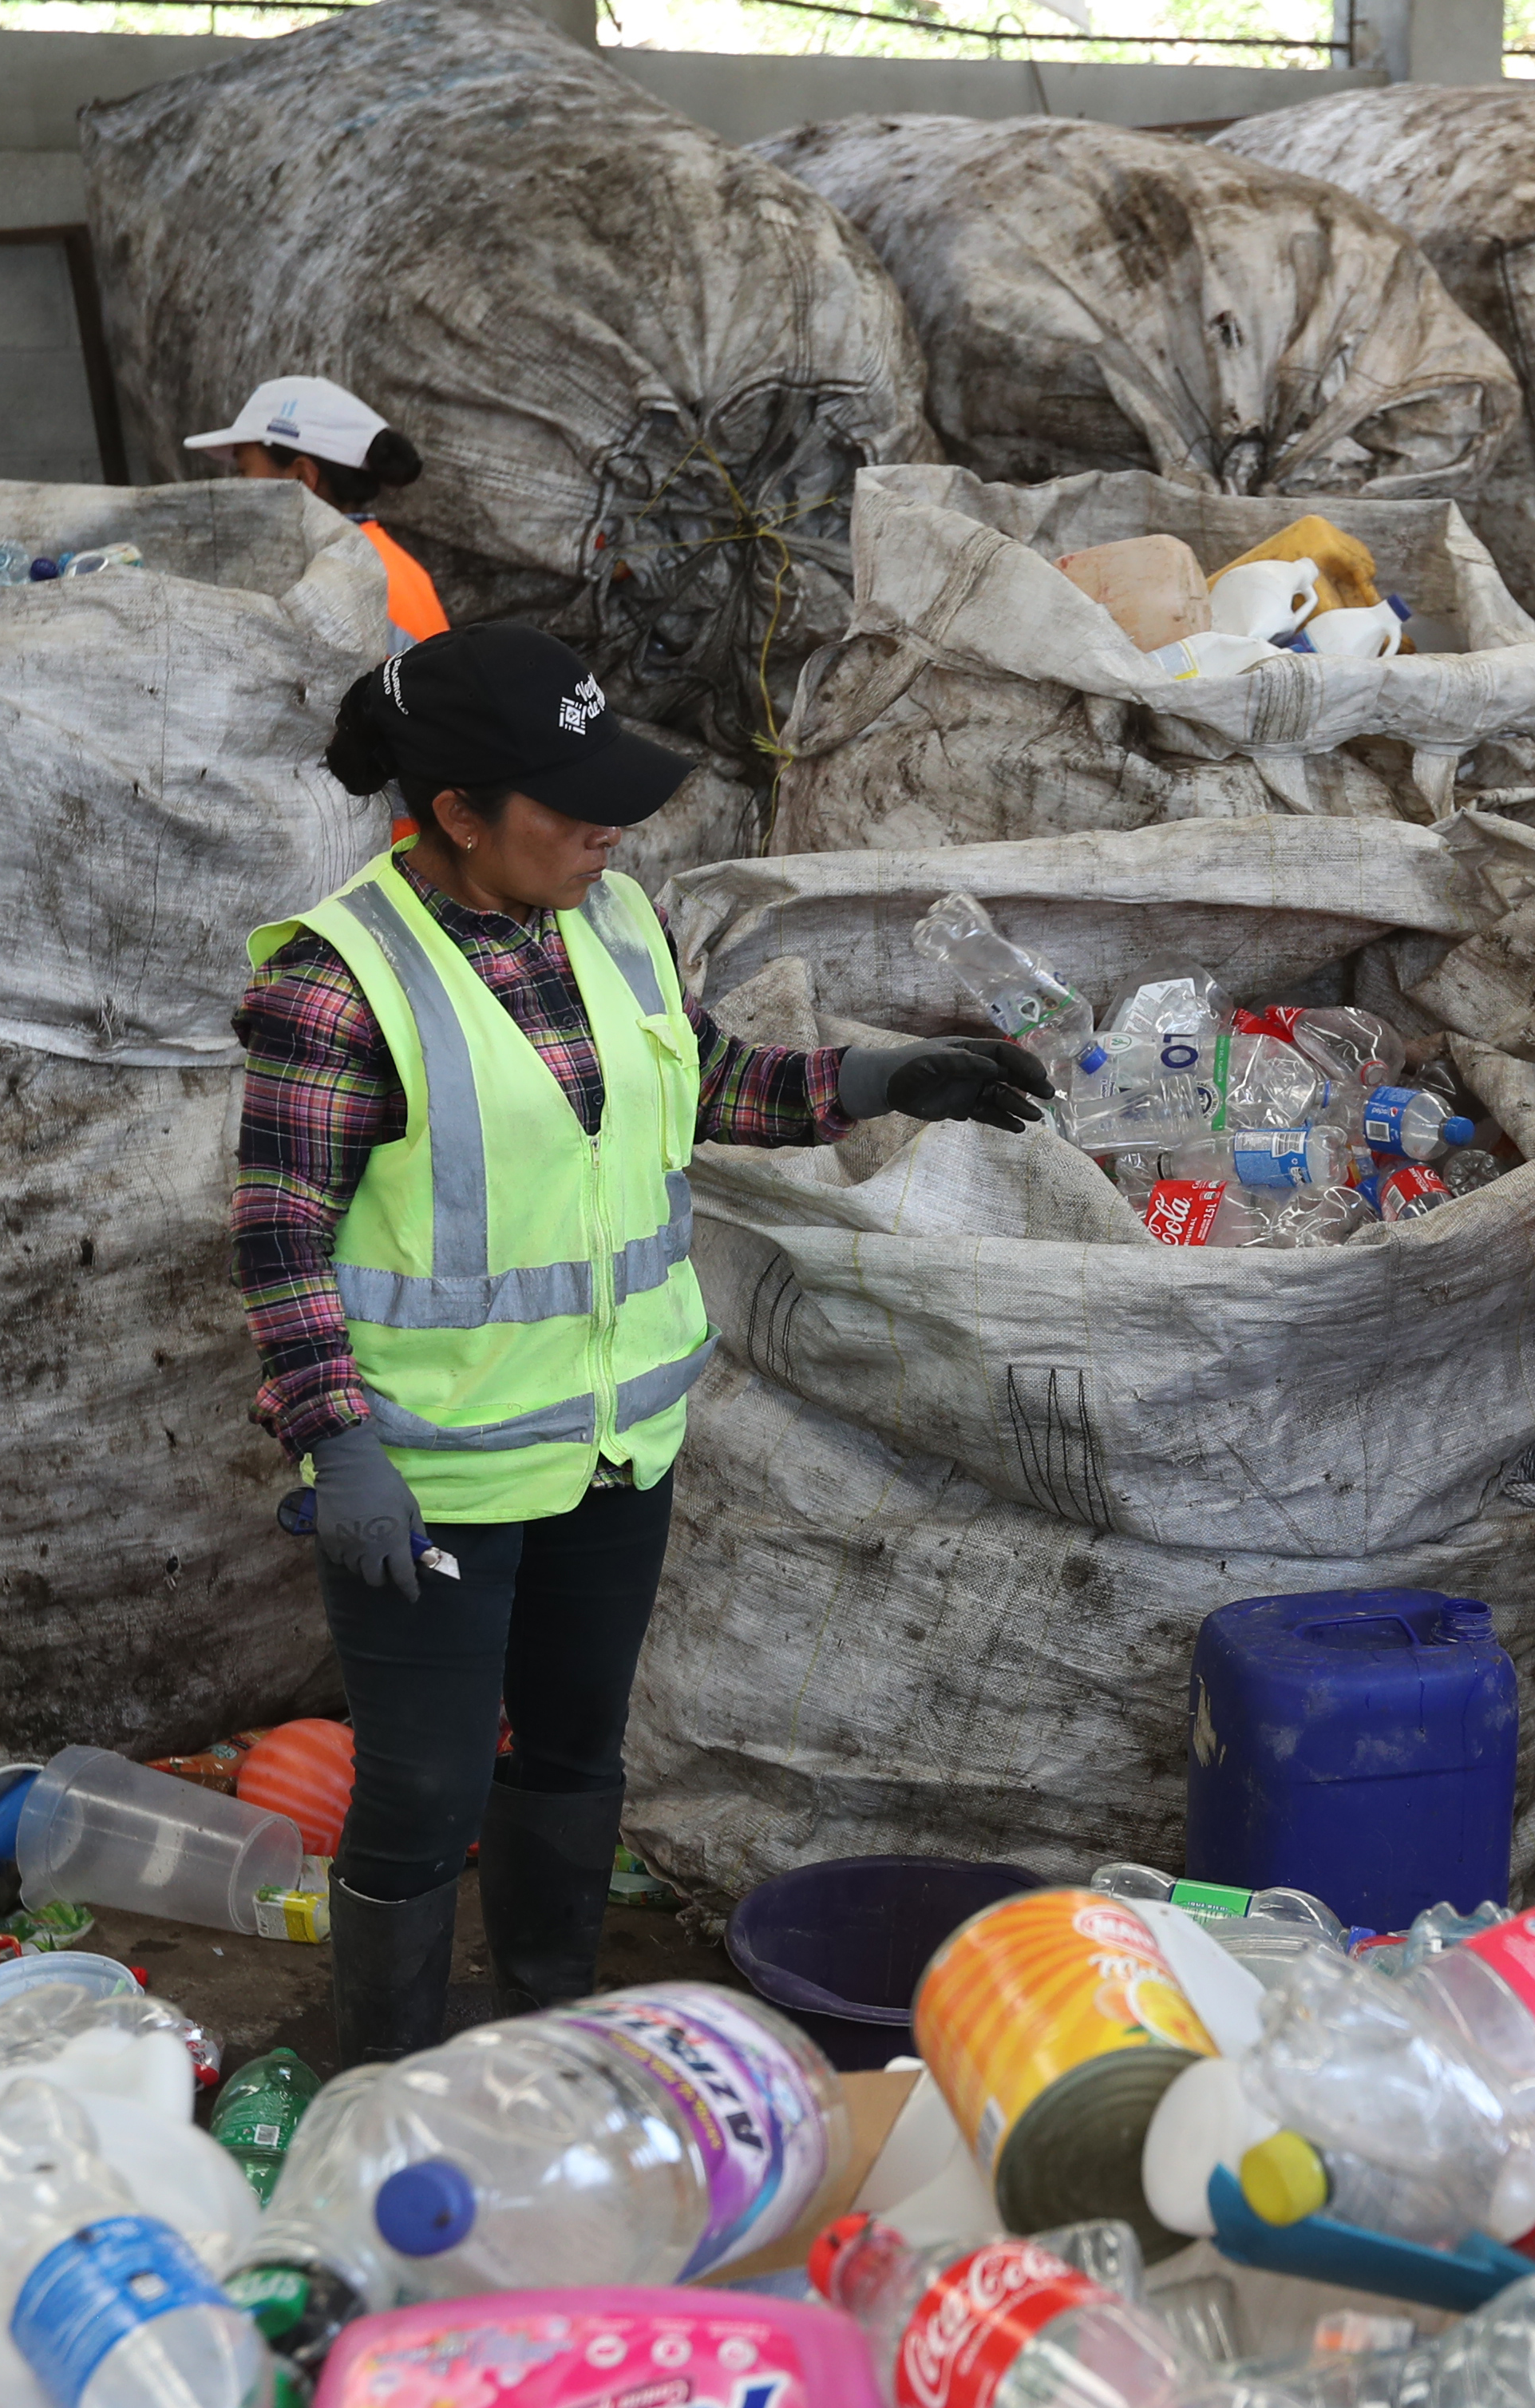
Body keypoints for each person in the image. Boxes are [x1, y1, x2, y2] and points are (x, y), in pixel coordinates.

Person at [232, 622, 1050, 2059]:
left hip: (616, 1441)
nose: (611, 827)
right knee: (422, 1789)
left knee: (572, 1750)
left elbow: (704, 1083)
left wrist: (879, 1073)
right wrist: (337, 1441)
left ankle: (547, 2035)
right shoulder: (338, 983)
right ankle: (393, 2079)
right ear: (458, 814)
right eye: (570, 802)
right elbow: (281, 1235)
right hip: (435, 1478)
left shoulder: (613, 919)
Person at [188, 374, 450, 648]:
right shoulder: (391, 563)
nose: (237, 488)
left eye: (243, 472)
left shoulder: (328, 581)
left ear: (302, 478)